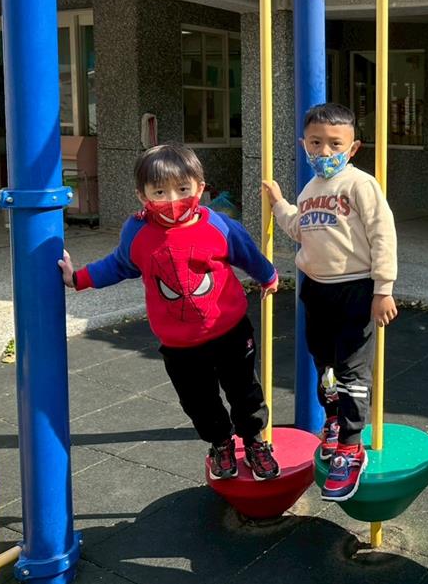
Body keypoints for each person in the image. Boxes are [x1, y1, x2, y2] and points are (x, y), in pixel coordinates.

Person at [59, 144, 281, 481]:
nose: (172, 200)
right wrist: (79, 279)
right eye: (159, 192)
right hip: (180, 344)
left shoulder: (218, 226)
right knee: (199, 402)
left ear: (200, 188)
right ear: (142, 195)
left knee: (245, 392)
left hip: (230, 330)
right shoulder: (138, 233)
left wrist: (268, 275)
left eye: (182, 189)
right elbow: (118, 264)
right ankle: (220, 443)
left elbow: (246, 252)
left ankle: (254, 441)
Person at [263, 102, 398, 502]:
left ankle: (352, 447)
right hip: (317, 289)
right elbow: (299, 228)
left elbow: (382, 234)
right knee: (325, 365)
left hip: (355, 289)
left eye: (334, 144)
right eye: (316, 143)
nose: (324, 151)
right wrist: (279, 204)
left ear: (352, 148)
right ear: (303, 144)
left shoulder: (360, 184)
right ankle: (334, 420)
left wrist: (383, 288)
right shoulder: (310, 190)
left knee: (353, 369)